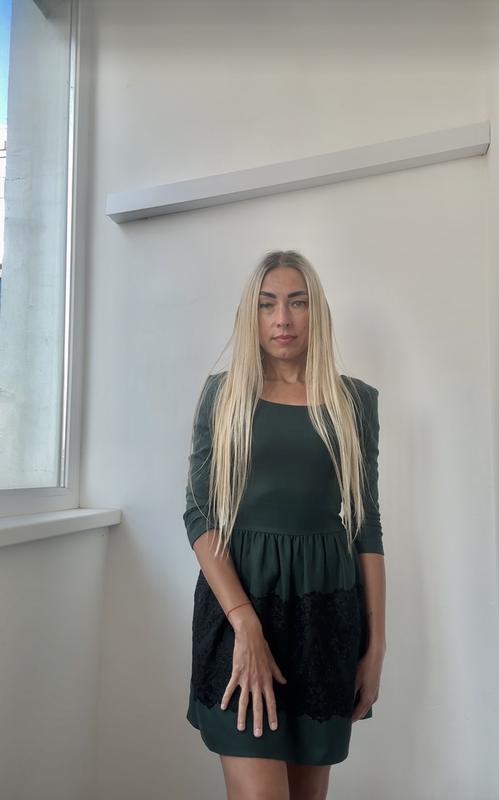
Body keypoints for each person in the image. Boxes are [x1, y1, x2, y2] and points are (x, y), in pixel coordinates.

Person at [183, 249, 386, 800]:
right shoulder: (223, 395)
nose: (282, 318)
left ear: (316, 311)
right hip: (239, 606)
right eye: (267, 304)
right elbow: (199, 514)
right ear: (250, 315)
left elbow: (365, 525)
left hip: (324, 615)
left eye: (297, 303)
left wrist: (375, 648)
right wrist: (245, 625)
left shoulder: (353, 403)